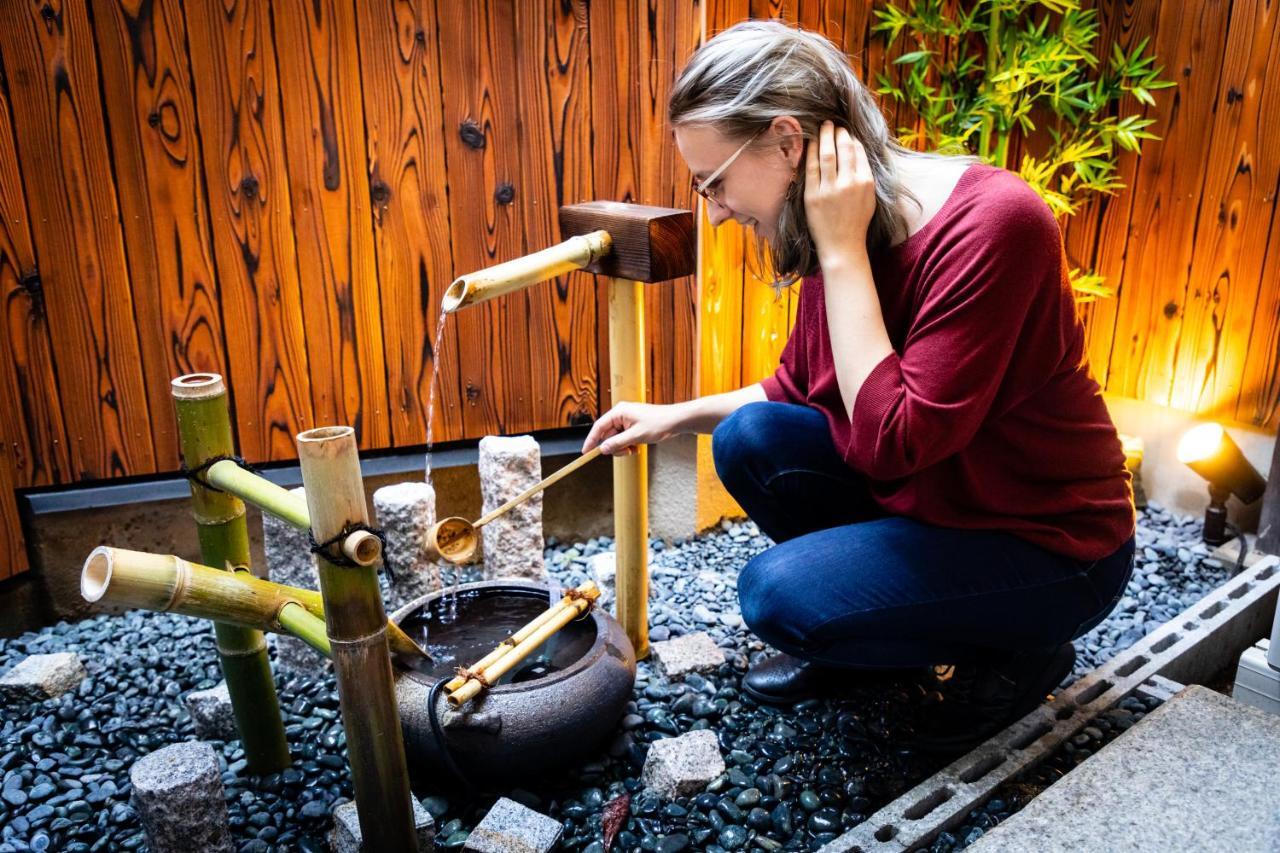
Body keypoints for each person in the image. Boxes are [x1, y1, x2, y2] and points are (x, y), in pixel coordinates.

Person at [581, 20, 1136, 753]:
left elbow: (892, 443)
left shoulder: (996, 224)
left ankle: (1019, 651)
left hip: (1051, 545)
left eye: (713, 182)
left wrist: (843, 251)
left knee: (777, 595)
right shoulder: (833, 224)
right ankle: (871, 640)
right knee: (750, 441)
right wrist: (669, 417)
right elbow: (794, 391)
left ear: (787, 141)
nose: (713, 211)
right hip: (944, 501)